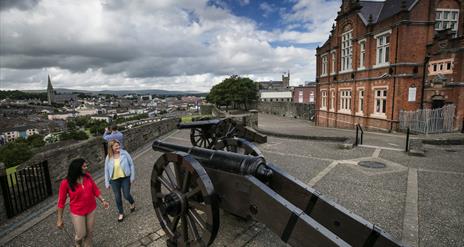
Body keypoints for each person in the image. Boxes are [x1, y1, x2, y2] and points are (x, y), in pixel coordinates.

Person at [56, 158, 109, 247]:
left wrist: (103, 200)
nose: (86, 167)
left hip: (91, 208)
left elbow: (95, 189)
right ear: (77, 168)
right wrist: (59, 219)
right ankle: (77, 241)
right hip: (77, 211)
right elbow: (61, 202)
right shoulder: (65, 183)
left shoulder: (87, 176)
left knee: (89, 233)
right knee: (81, 234)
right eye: (84, 166)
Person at [104, 139, 136, 222]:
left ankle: (132, 202)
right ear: (111, 147)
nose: (118, 147)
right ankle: (121, 213)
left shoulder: (124, 153)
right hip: (114, 180)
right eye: (116, 146)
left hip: (125, 178)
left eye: (118, 145)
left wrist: (132, 177)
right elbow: (106, 170)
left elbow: (131, 164)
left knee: (126, 195)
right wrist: (107, 182)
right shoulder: (108, 157)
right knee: (117, 197)